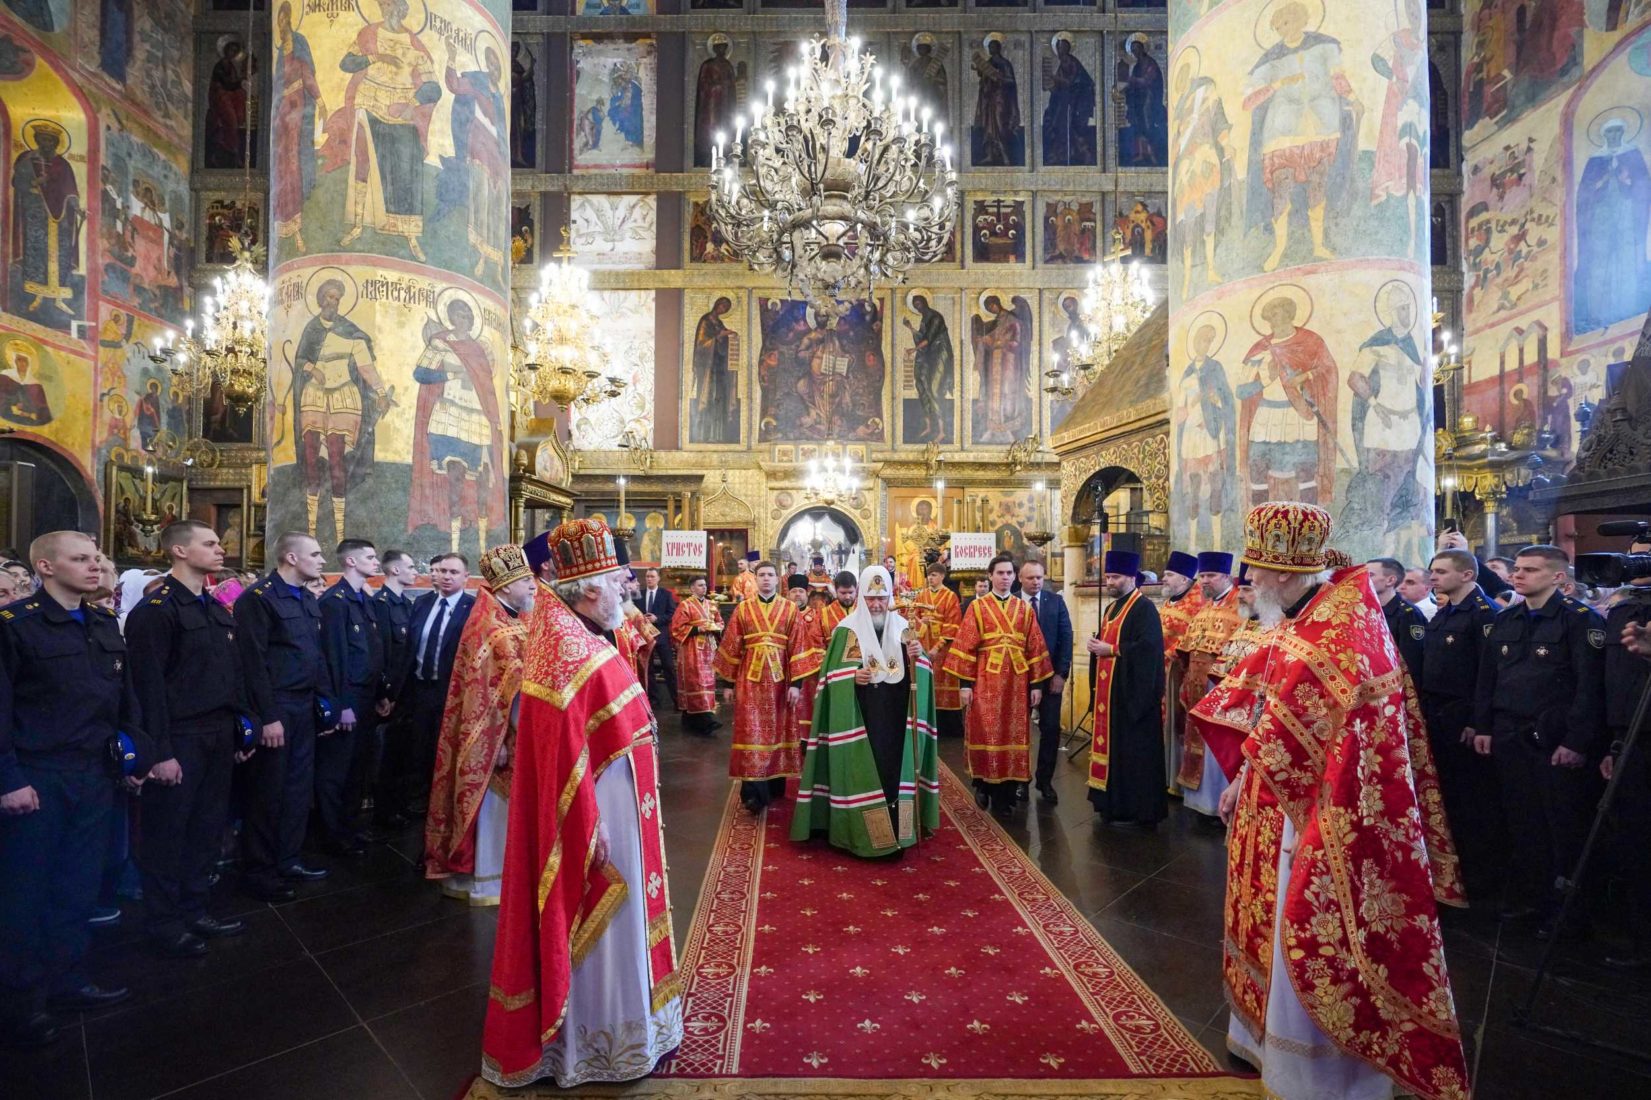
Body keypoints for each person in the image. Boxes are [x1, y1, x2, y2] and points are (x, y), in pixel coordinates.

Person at [1190, 501, 1468, 1100]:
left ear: (1284, 572)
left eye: (1257, 569)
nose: (1249, 579)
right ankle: (1260, 1037)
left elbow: (1331, 743)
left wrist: (1272, 786)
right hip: (1274, 794)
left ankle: (1312, 1071)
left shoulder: (1339, 634)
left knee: (1306, 927)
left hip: (1320, 812)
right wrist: (1242, 777)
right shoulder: (1309, 616)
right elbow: (1271, 711)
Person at [481, 519, 680, 1088]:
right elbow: (562, 756)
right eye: (618, 580)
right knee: (608, 919)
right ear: (590, 588)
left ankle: (636, 1023)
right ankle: (600, 1037)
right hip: (601, 817)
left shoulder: (581, 636)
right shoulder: (569, 652)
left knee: (632, 914)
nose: (626, 588)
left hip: (622, 803)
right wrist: (588, 825)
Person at [0, 532, 149, 1047]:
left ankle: (68, 978)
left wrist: (134, 755)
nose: (94, 566)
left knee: (78, 883)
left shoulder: (102, 623)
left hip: (95, 772)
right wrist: (9, 778)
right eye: (81, 559)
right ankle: (21, 1001)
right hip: (38, 774)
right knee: (26, 891)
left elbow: (123, 699)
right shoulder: (16, 626)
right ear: (45, 566)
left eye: (97, 558)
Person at [125, 521, 249, 960]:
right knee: (168, 832)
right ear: (179, 550)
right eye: (209, 543)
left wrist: (241, 727)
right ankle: (164, 922)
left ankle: (195, 909)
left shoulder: (213, 607)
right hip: (179, 735)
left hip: (218, 731)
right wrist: (159, 752)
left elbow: (229, 673)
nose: (221, 549)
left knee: (207, 827)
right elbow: (148, 688)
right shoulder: (157, 610)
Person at [1476, 545, 1606, 939]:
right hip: (1509, 733)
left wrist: (1576, 741)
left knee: (1561, 826)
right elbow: (1488, 678)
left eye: (1530, 570)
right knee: (1523, 822)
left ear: (1557, 577)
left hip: (1552, 737)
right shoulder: (1507, 618)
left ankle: (1568, 914)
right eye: (1517, 569)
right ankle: (1534, 900)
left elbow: (1589, 688)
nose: (1518, 575)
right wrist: (1483, 726)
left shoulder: (1579, 620)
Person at [792, 566, 939, 856]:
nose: (876, 605)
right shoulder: (847, 630)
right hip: (861, 716)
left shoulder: (904, 628)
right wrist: (851, 676)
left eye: (882, 598)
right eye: (871, 598)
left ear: (890, 597)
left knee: (895, 769)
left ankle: (898, 830)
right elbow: (828, 678)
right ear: (861, 597)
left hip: (897, 717)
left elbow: (920, 673)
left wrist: (919, 657)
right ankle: (862, 833)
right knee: (866, 770)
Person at [425, 545, 534, 906]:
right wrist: (495, 740)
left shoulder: (514, 618)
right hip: (494, 737)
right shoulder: (486, 625)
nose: (532, 586)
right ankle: (488, 876)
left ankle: (508, 872)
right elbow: (479, 694)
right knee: (491, 807)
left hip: (517, 730)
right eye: (525, 580)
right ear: (506, 585)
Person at [235, 533, 335, 902]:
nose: (322, 560)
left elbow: (314, 655)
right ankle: (259, 871)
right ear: (292, 557)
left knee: (297, 788)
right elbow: (253, 663)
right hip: (277, 705)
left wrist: (324, 700)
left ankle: (288, 858)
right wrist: (268, 716)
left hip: (304, 705)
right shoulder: (258, 599)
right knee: (268, 792)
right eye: (316, 554)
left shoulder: (306, 598)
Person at [1421, 547, 1503, 907]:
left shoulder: (1484, 613)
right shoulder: (1445, 613)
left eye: (1441, 571)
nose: (1433, 577)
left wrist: (1476, 721)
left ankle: (1481, 884)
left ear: (1467, 575)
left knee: (1473, 804)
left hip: (1464, 715)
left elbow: (1487, 673)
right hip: (1439, 714)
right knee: (1449, 799)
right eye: (1432, 571)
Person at [945, 554, 1052, 814]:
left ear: (1015, 577)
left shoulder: (1024, 609)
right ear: (990, 576)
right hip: (985, 680)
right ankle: (982, 785)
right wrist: (965, 684)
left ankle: (1006, 797)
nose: (1005, 577)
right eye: (1000, 573)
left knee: (1013, 733)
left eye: (1009, 573)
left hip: (1017, 683)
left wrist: (1036, 686)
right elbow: (966, 646)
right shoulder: (977, 607)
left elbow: (1035, 646)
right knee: (985, 731)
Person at [1084, 551, 1166, 828]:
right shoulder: (1112, 608)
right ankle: (1111, 805)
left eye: (1116, 577)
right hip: (1112, 697)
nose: (1110, 582)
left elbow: (1149, 650)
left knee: (1133, 754)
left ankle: (1136, 810)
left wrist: (1112, 649)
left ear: (1131, 577)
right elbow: (1107, 645)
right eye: (1108, 576)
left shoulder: (1144, 608)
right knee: (1114, 751)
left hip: (1133, 698)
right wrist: (1097, 646)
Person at [389, 553, 474, 821]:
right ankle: (413, 804)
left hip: (450, 692)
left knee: (442, 750)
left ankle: (438, 807)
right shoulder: (422, 603)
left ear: (465, 577)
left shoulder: (473, 608)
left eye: (453, 572)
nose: (447, 577)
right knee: (414, 749)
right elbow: (409, 649)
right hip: (417, 690)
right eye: (443, 571)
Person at [316, 539, 384, 858]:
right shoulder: (335, 601)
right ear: (351, 562)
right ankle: (333, 834)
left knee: (358, 768)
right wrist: (341, 705)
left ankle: (350, 826)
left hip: (367, 695)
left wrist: (381, 692)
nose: (376, 562)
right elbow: (333, 658)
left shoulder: (363, 599)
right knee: (337, 770)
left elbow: (371, 650)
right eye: (370, 557)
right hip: (348, 697)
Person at [715, 561, 798, 812]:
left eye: (770, 574)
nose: (766, 579)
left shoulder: (790, 608)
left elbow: (799, 646)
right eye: (761, 575)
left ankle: (774, 785)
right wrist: (727, 683)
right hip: (749, 682)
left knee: (777, 731)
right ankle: (753, 793)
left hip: (780, 683)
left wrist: (797, 684)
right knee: (750, 732)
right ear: (756, 578)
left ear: (777, 579)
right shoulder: (743, 609)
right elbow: (732, 646)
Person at [1603, 538, 1651, 967]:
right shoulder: (1624, 613)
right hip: (1633, 741)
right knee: (1635, 839)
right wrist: (1613, 742)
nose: (1639, 565)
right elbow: (1614, 684)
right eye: (1634, 556)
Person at [1176, 552, 1239, 819]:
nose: (1204, 581)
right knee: (1197, 741)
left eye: (1210, 575)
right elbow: (1187, 647)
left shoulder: (1239, 605)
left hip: (1220, 687)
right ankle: (1200, 802)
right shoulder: (1205, 607)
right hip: (1197, 686)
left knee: (1216, 747)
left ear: (1226, 576)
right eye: (1202, 576)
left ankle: (1218, 805)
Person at [371, 549, 422, 829]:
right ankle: (382, 813)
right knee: (384, 758)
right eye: (410, 566)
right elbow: (381, 652)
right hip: (389, 695)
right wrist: (385, 693)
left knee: (402, 754)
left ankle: (398, 807)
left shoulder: (406, 603)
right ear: (394, 570)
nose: (416, 571)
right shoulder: (381, 604)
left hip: (406, 693)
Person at [786, 571, 856, 769]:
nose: (847, 597)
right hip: (831, 672)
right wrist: (831, 666)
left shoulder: (863, 611)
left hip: (859, 672)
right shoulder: (823, 614)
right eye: (843, 593)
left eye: (850, 592)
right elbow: (816, 644)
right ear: (836, 591)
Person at [1020, 560, 1072, 803]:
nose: (1036, 582)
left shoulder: (1055, 602)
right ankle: (1019, 781)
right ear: (1020, 578)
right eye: (1030, 578)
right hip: (1019, 678)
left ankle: (1045, 780)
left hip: (1050, 677)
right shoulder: (1011, 602)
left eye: (1039, 577)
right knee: (1019, 731)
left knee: (1050, 729)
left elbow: (1066, 637)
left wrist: (1061, 674)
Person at [909, 562, 964, 739]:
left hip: (943, 649)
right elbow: (912, 617)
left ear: (942, 576)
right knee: (925, 682)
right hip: (923, 645)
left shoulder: (950, 596)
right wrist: (921, 623)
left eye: (933, 575)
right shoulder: (922, 595)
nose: (930, 578)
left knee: (945, 683)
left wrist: (937, 648)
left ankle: (948, 729)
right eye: (929, 575)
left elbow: (953, 624)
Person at [671, 575, 723, 736]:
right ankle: (706, 720)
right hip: (692, 649)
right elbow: (676, 628)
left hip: (708, 648)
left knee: (708, 682)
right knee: (696, 681)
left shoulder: (711, 605)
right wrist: (698, 629)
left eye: (705, 585)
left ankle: (692, 718)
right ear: (692, 588)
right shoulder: (685, 605)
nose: (704, 588)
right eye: (700, 585)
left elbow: (720, 622)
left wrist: (716, 627)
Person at [1368, 556, 1426, 682]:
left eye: (1370, 575)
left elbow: (1412, 660)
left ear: (1390, 580)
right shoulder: (1368, 610)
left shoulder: (1408, 614)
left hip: (1398, 683)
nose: (1364, 579)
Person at [638, 568, 678, 710]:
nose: (649, 579)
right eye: (647, 576)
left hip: (661, 636)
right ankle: (654, 700)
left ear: (658, 578)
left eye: (652, 576)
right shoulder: (639, 595)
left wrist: (657, 618)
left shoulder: (666, 594)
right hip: (645, 636)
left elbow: (672, 614)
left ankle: (676, 700)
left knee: (669, 667)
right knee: (648, 669)